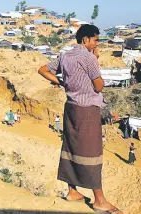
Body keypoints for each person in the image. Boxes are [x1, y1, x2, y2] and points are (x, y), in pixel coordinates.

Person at [38, 24, 121, 213]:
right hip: (87, 110)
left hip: (71, 108)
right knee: (91, 151)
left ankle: (72, 191)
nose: (97, 43)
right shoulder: (89, 58)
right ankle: (99, 199)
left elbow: (43, 70)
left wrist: (61, 82)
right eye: (96, 40)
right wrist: (95, 58)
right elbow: (99, 86)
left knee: (70, 147)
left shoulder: (66, 55)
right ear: (86, 40)